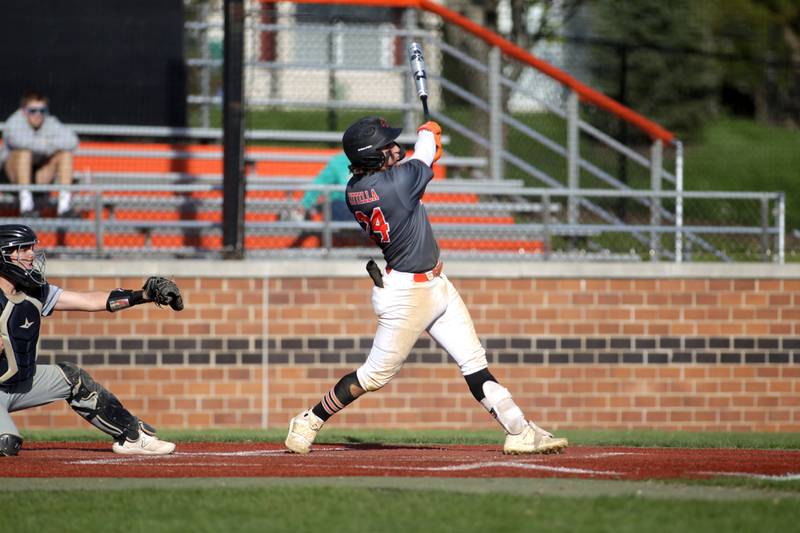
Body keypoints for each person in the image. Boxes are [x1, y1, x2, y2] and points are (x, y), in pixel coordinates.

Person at [285, 116, 568, 455]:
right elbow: (422, 152)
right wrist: (428, 132)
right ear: (372, 157)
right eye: (386, 146)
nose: (393, 148)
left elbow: (419, 161)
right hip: (407, 294)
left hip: (436, 283)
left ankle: (520, 429)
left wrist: (428, 147)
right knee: (373, 377)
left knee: (473, 361)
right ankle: (309, 419)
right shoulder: (394, 185)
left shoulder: (357, 189)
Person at [0, 224, 182, 457]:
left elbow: (89, 301)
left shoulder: (35, 291)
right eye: (21, 249)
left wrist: (142, 296)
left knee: (73, 378)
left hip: (21, 383)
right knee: (7, 443)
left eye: (30, 248)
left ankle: (133, 436)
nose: (30, 254)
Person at [0, 90, 79, 217]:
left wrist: (43, 144)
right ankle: (26, 207)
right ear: (24, 111)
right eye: (33, 110)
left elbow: (72, 141)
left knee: (65, 155)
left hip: (38, 178)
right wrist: (47, 144)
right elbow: (21, 142)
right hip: (11, 181)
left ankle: (64, 207)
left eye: (42, 110)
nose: (38, 115)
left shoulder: (50, 122)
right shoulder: (13, 122)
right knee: (24, 153)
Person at [296, 152, 352, 222]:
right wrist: (305, 204)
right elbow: (319, 183)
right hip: (344, 207)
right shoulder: (339, 162)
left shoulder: (368, 159)